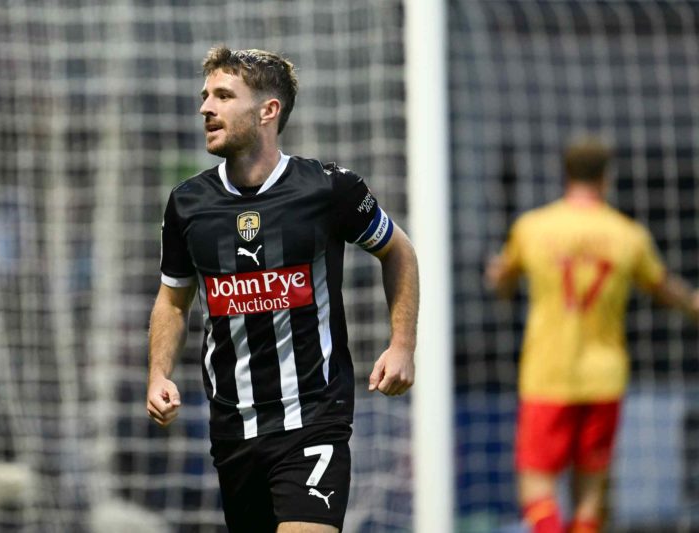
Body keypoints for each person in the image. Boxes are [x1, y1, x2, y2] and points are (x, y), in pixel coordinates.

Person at [147, 46, 419, 533]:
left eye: (224, 96)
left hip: (314, 417)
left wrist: (402, 345)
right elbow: (172, 300)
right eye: (205, 95)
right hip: (235, 427)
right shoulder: (187, 204)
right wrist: (158, 374)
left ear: (268, 111)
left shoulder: (329, 188)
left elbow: (398, 251)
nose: (205, 108)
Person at [485, 136, 699, 533]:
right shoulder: (627, 234)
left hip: (547, 373)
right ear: (606, 178)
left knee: (535, 483)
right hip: (604, 375)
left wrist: (497, 277)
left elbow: (504, 283)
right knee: (592, 491)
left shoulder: (533, 227)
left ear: (565, 175)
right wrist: (693, 303)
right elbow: (664, 288)